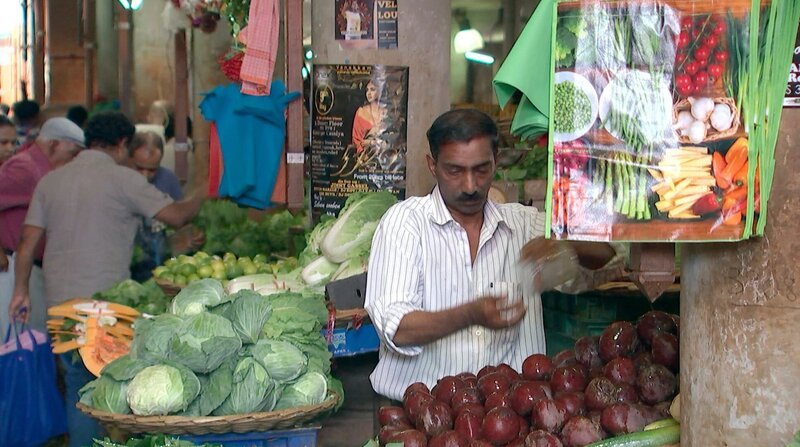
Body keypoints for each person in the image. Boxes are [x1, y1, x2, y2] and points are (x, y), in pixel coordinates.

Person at [364, 109, 623, 401]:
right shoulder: (404, 224)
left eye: (481, 169)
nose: (471, 185)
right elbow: (396, 328)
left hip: (508, 417)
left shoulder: (524, 224)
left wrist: (565, 244)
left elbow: (610, 257)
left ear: (496, 162)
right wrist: (471, 314)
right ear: (432, 166)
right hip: (418, 415)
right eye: (455, 171)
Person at [8, 111, 205, 447]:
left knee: (76, 385)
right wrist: (206, 188)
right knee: (111, 386)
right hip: (105, 307)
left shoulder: (52, 180)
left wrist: (21, 291)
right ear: (122, 143)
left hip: (60, 303)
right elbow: (176, 216)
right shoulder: (123, 179)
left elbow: (26, 244)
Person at [0, 118, 85, 332]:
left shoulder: (39, 166)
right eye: (73, 154)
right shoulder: (24, 167)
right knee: (19, 343)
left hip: (32, 268)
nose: (75, 160)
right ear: (54, 144)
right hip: (13, 268)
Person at [127, 131, 201, 281]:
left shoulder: (168, 179)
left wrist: (189, 237)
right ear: (129, 159)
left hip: (160, 260)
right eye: (140, 168)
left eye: (152, 170)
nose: (145, 175)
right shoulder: (119, 180)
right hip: (128, 262)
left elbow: (181, 221)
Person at [352, 77, 388, 154]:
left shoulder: (386, 113)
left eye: (372, 89)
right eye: (367, 90)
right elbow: (356, 140)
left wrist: (371, 142)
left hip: (384, 157)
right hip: (365, 157)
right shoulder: (361, 112)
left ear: (380, 91)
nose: (369, 93)